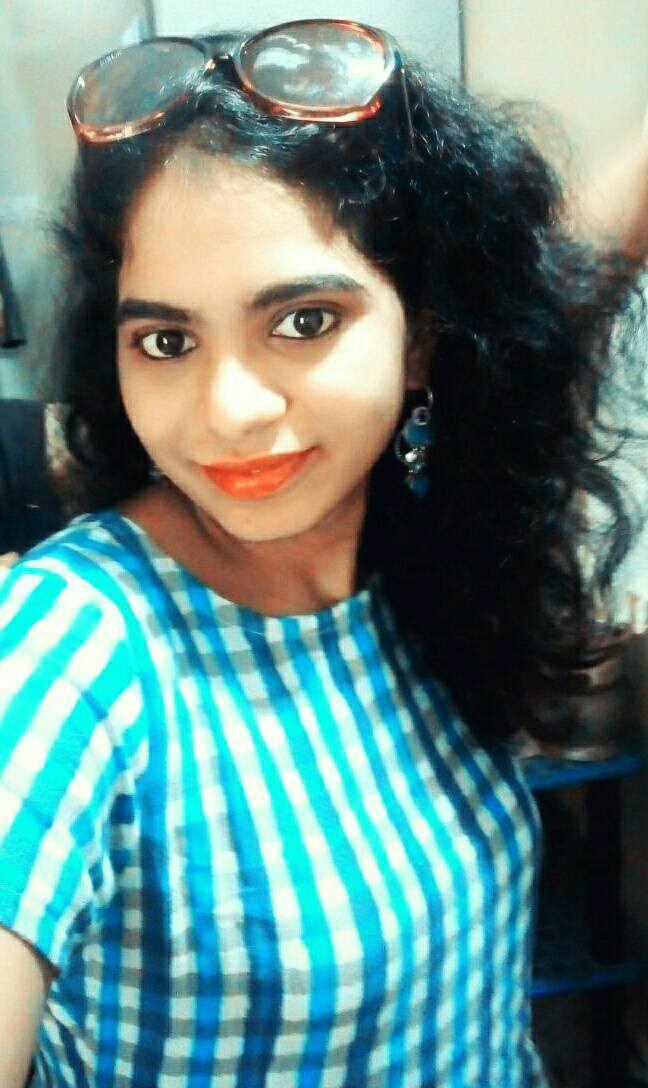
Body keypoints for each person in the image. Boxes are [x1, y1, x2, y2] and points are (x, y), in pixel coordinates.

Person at [0, 20, 642, 1087]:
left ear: (421, 335)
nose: (229, 411)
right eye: (167, 340)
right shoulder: (78, 640)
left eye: (303, 321)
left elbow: (570, 275)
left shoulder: (409, 553)